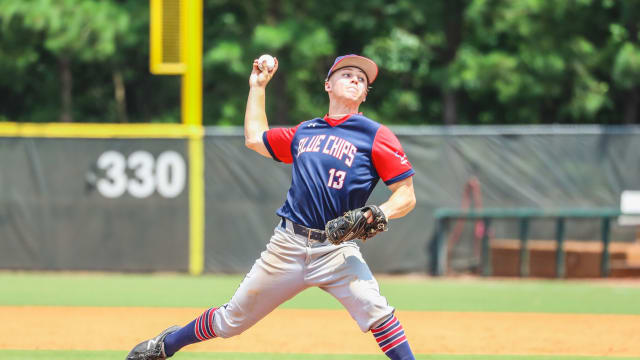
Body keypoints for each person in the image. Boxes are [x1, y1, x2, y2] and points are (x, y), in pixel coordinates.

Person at [126, 54, 417, 360]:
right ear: (328, 85)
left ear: (366, 93)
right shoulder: (306, 131)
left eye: (363, 78)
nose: (356, 79)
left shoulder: (374, 135)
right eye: (347, 73)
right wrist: (258, 86)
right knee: (231, 321)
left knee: (376, 311)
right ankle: (165, 346)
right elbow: (255, 138)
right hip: (287, 245)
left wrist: (380, 212)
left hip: (336, 248)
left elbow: (406, 194)